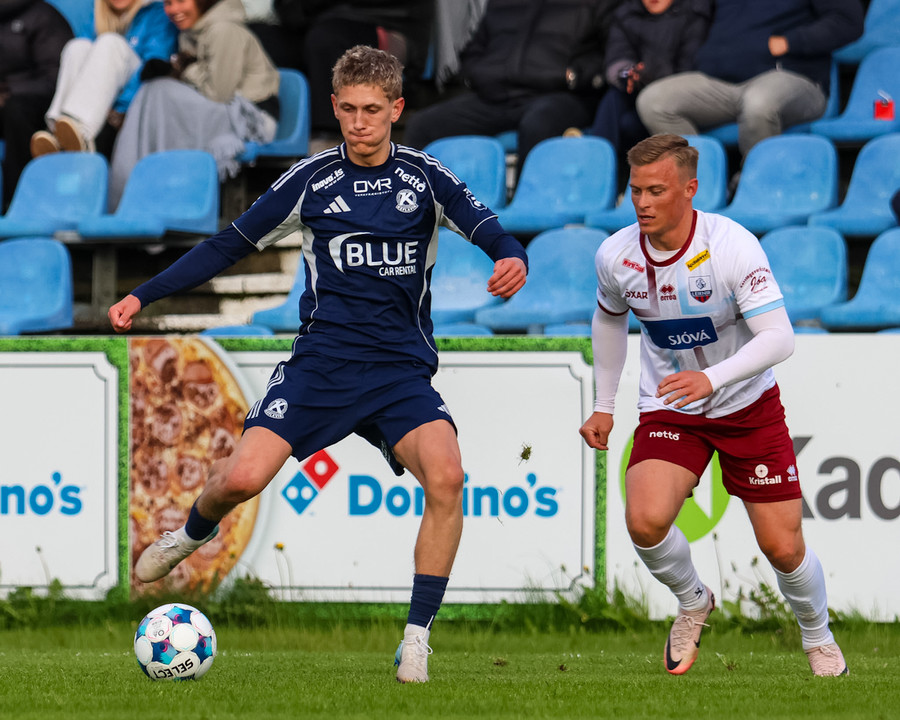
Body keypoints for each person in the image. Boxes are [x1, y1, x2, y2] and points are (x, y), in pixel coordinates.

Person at [108, 45, 528, 684]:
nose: (360, 123)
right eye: (348, 110)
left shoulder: (425, 178)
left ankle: (416, 639)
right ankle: (190, 534)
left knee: (447, 478)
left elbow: (489, 227)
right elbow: (227, 246)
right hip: (321, 366)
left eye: (372, 110)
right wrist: (144, 294)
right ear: (334, 107)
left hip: (397, 372)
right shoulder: (310, 181)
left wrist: (511, 256)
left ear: (396, 109)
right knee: (240, 479)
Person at [579, 133, 847, 678]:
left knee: (782, 547)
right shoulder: (615, 255)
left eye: (656, 191)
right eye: (635, 191)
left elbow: (780, 338)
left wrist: (712, 378)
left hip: (747, 405)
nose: (643, 204)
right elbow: (609, 319)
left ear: (690, 189)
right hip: (672, 405)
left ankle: (817, 636)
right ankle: (693, 601)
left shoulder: (732, 246)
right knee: (645, 521)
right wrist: (604, 403)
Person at [402, 0, 617, 177]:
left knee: (539, 123)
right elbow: (473, 50)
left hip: (560, 95)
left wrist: (573, 76)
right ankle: (413, 206)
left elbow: (612, 53)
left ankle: (528, 211)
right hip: (495, 95)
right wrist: (481, 75)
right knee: (421, 125)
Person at [635, 0, 864, 157]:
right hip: (722, 83)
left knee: (758, 102)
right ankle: (701, 186)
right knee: (654, 101)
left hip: (792, 78)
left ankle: (756, 187)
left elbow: (848, 22)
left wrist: (789, 42)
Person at [108, 0, 280, 206]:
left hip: (250, 118)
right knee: (153, 90)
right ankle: (138, 191)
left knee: (160, 91)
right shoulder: (188, 33)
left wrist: (183, 70)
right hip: (218, 108)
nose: (174, 10)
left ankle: (158, 193)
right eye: (168, 3)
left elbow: (219, 93)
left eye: (181, 1)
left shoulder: (224, 29)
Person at [30, 0, 178, 157]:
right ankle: (57, 130)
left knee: (110, 42)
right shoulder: (98, 13)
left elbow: (153, 68)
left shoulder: (156, 13)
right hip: (96, 100)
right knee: (77, 47)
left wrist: (118, 106)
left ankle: (82, 133)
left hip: (132, 94)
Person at [580, 0, 711, 157]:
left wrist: (651, 74)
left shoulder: (695, 11)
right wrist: (628, 75)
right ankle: (598, 163)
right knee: (613, 98)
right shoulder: (626, 14)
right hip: (637, 90)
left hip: (676, 96)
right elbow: (617, 57)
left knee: (629, 123)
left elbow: (689, 69)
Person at [0, 0, 72, 210]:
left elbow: (57, 78)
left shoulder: (43, 16)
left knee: (16, 110)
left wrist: (8, 91)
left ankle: (17, 203)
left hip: (41, 107)